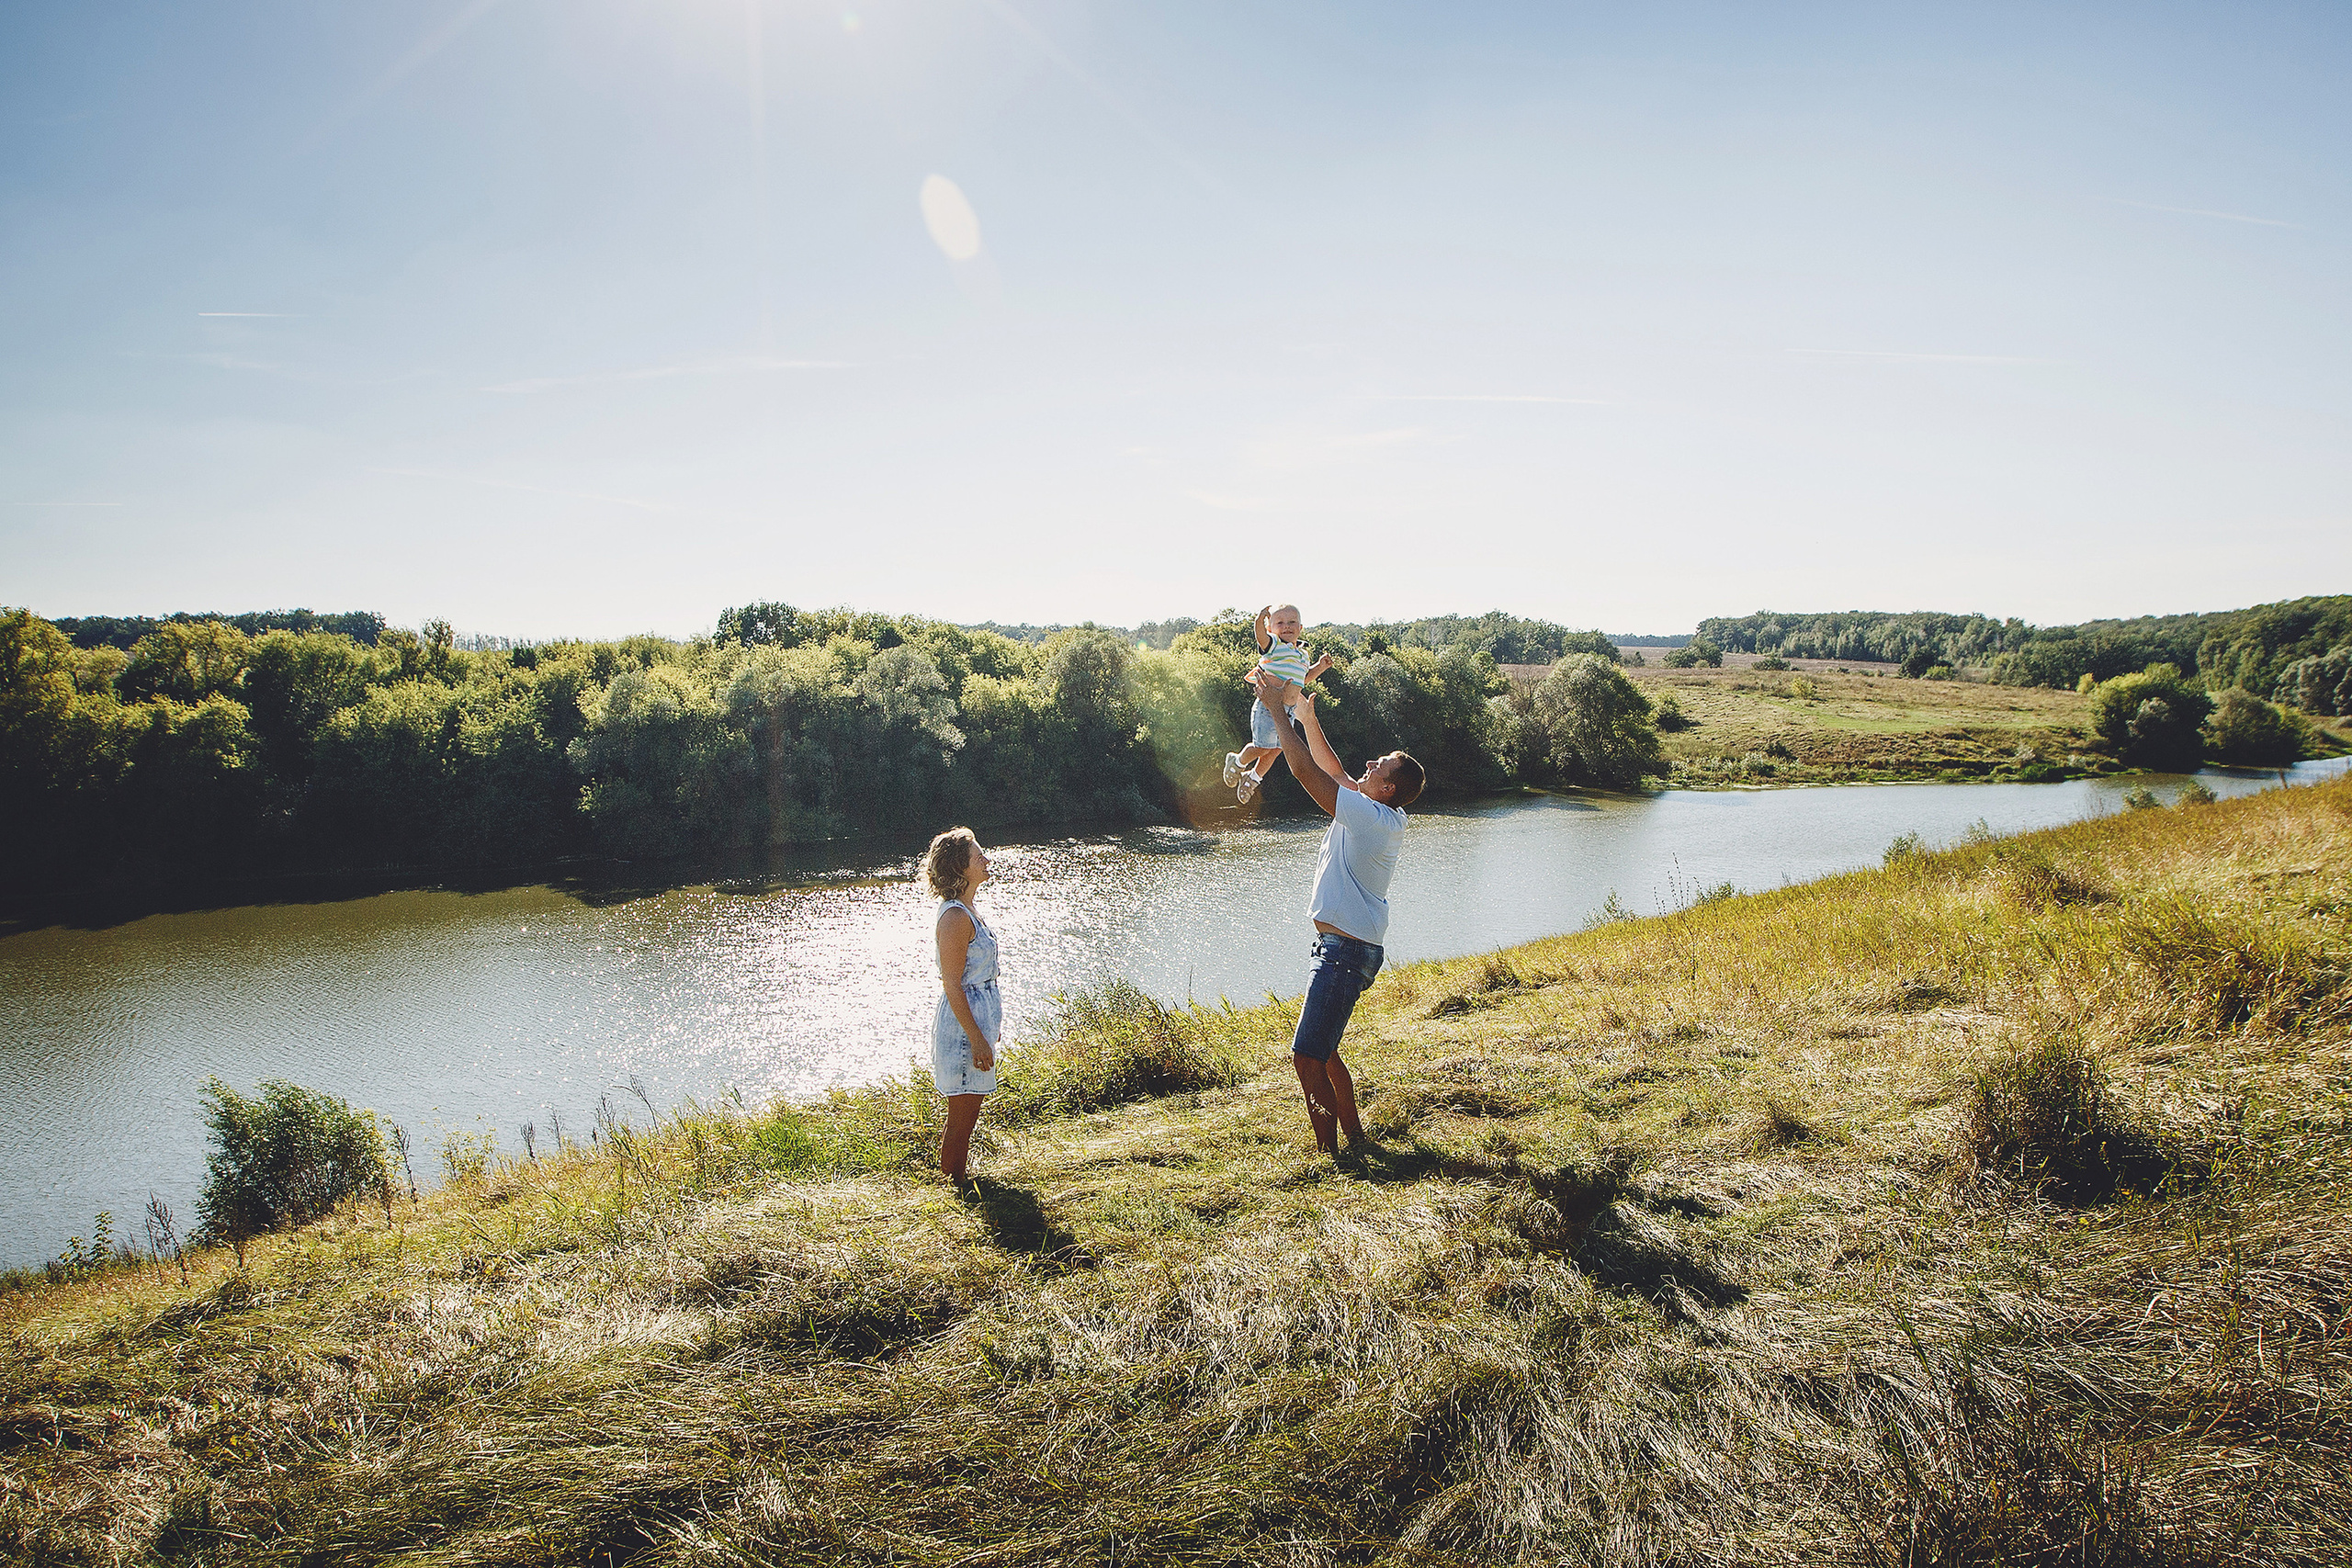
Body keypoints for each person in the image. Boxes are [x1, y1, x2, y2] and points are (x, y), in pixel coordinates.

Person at [1248, 665, 1425, 1156]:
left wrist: (1274, 715)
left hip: (1345, 951)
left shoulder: (1371, 817)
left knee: (1305, 1055)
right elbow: (1334, 770)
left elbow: (1306, 773)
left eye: (1379, 768)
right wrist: (1305, 715)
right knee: (1324, 1056)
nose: (1369, 765)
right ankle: (1357, 1143)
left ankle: (1330, 1159)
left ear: (1387, 789)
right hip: (1342, 946)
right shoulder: (1380, 811)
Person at [922, 826, 1000, 1182]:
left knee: (969, 1111)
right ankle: (955, 1186)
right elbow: (952, 985)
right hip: (962, 1029)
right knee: (962, 1115)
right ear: (959, 868)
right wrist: (977, 1038)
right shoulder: (954, 918)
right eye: (977, 856)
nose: (986, 860)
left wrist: (988, 1028)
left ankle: (957, 1182)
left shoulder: (968, 910)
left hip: (975, 1022)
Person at [1224, 603, 1333, 803]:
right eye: (1280, 623)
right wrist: (1258, 622)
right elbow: (1261, 638)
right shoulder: (1274, 645)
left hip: (1288, 711)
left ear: (1300, 628)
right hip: (1267, 708)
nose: (1287, 626)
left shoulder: (1302, 655)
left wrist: (1321, 667)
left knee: (1276, 750)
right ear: (1270, 628)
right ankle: (1238, 761)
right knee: (1262, 747)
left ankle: (1253, 778)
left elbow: (1303, 678)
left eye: (1292, 622)